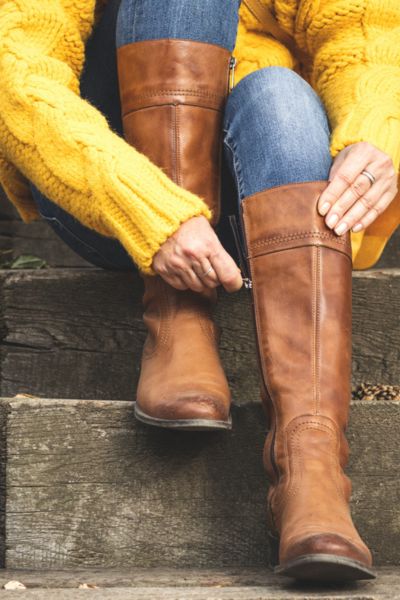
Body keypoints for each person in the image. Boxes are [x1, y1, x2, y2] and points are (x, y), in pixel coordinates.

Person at [0, 0, 399, 584]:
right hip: (114, 188)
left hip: (257, 202)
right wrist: (147, 208)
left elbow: (368, 38)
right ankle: (177, 315)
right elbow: (16, 74)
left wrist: (380, 130)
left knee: (282, 97)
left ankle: (310, 465)